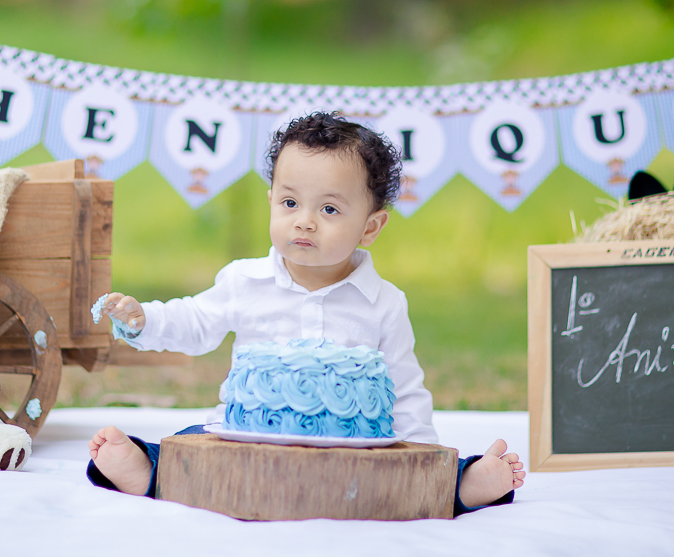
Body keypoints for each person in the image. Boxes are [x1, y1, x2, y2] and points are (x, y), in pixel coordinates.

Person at [87, 111, 524, 514]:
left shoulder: (384, 302)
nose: (305, 221)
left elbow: (405, 389)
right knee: (195, 445)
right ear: (272, 201)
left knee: (400, 474)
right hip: (250, 438)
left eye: (329, 209)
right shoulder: (245, 282)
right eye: (290, 203)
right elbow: (195, 322)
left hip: (351, 449)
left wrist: (422, 459)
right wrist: (144, 319)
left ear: (370, 227)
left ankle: (460, 485)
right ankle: (150, 472)